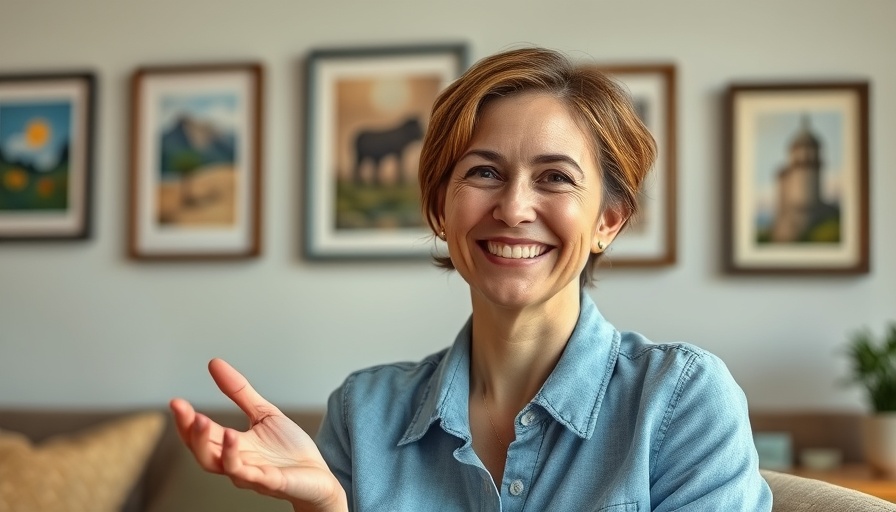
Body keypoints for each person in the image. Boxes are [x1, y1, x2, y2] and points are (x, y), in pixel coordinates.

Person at [170, 47, 773, 511]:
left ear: (608, 221)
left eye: (556, 178)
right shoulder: (363, 412)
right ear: (440, 209)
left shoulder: (682, 400)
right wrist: (327, 507)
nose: (513, 208)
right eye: (484, 172)